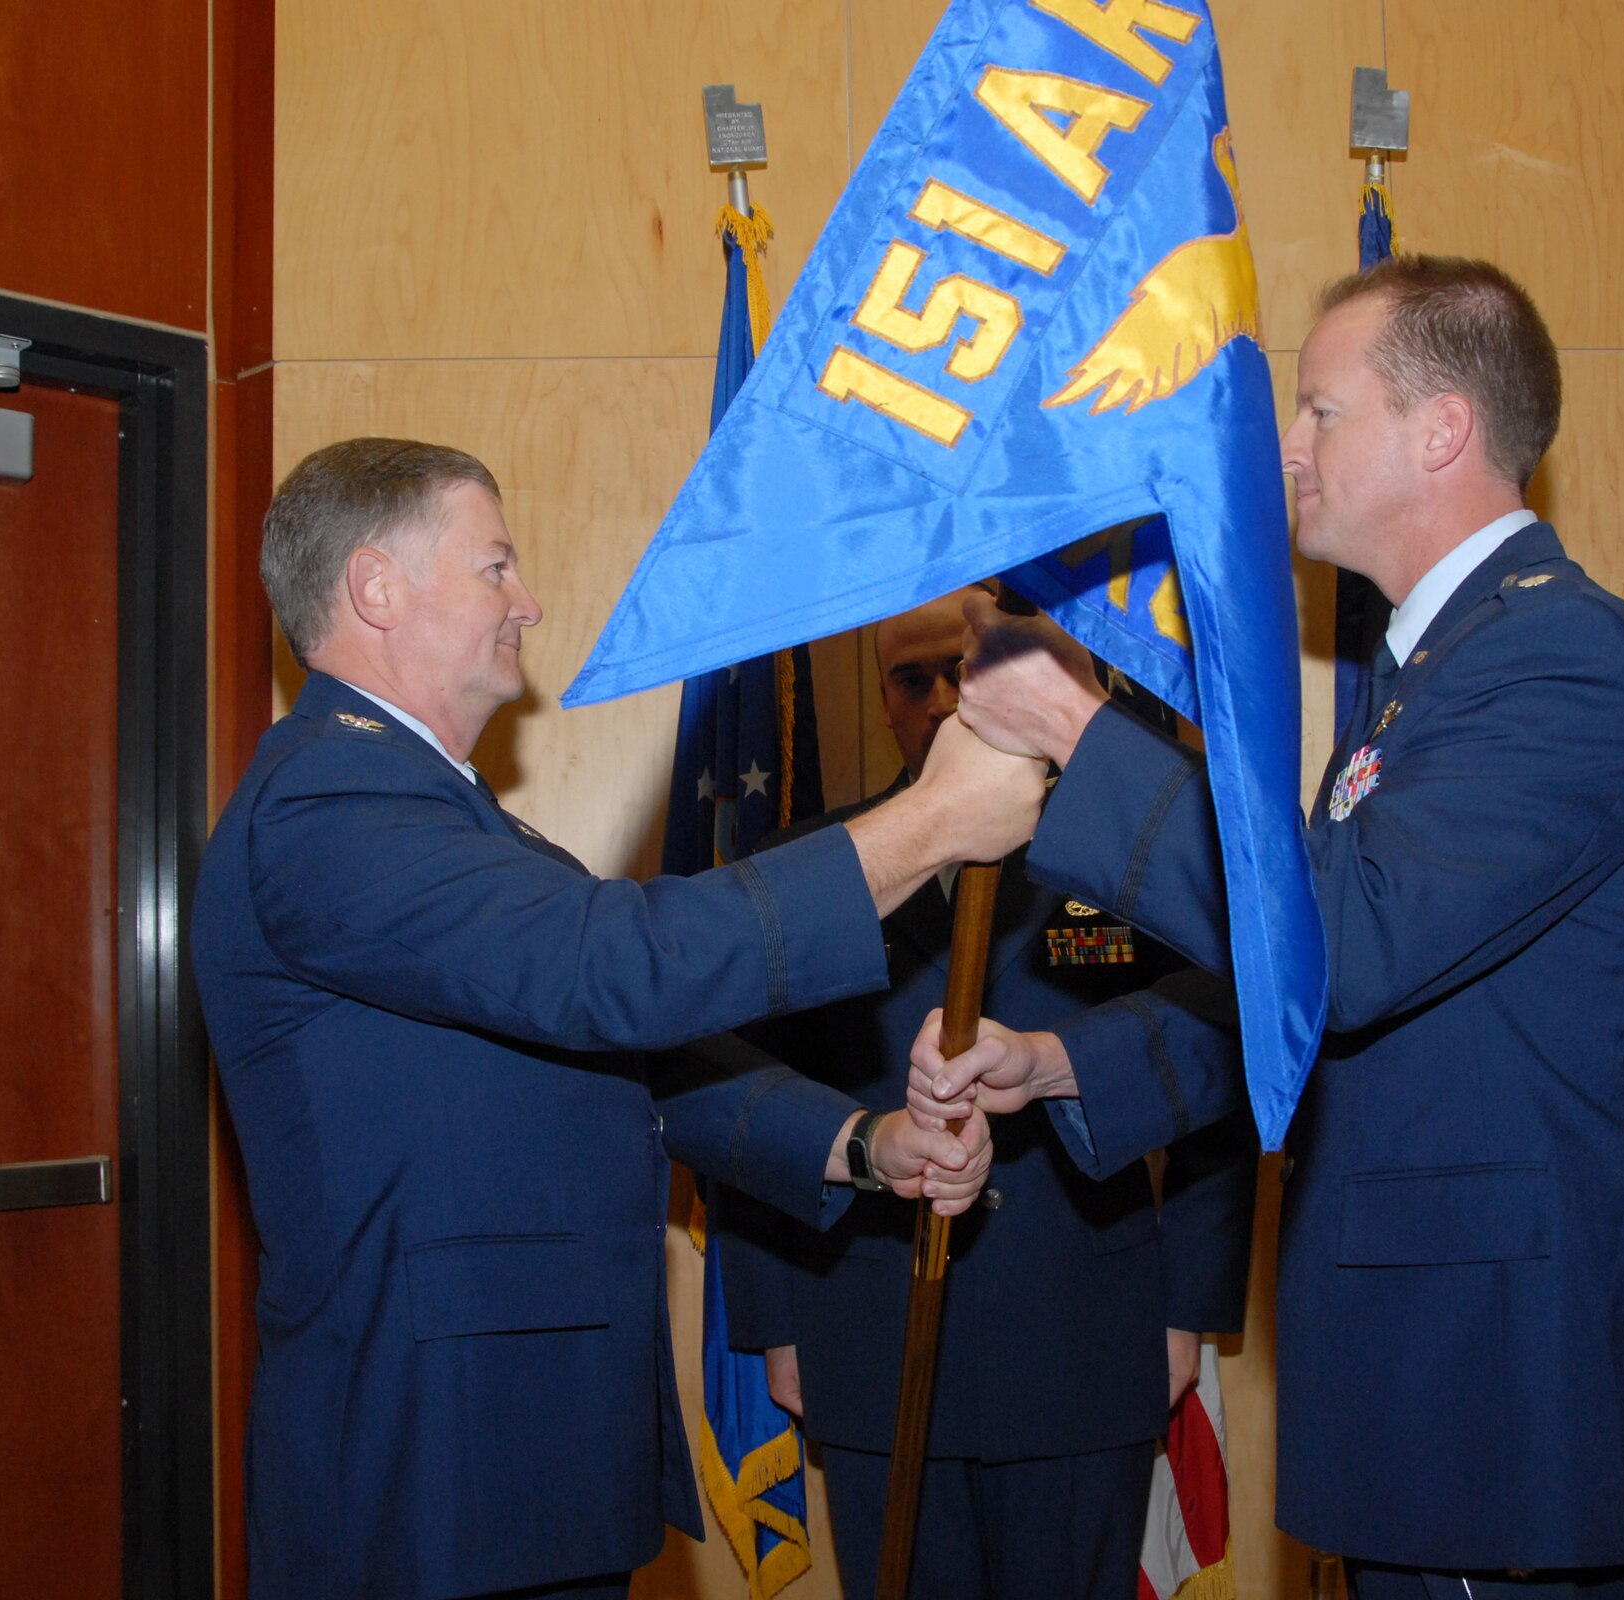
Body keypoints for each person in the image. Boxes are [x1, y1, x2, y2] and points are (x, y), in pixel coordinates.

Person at [916, 258, 1624, 1598]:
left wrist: (1076, 727)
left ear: (1442, 430)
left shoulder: (1561, 662)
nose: (1286, 448)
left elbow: (1347, 950)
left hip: (1513, 1412)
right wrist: (1068, 1067)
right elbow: (1338, 1005)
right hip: (1438, 1394)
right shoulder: (1441, 673)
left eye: (1317, 411)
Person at [194, 438, 1047, 1600]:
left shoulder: (441, 814)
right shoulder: (329, 804)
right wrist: (931, 821)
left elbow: (626, 1055)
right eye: (495, 566)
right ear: (375, 587)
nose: (527, 603)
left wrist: (855, 1143)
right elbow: (618, 968)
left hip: (516, 1456)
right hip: (433, 1469)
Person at [712, 588, 1254, 1600]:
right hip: (867, 1332)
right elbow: (745, 1097)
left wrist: (1188, 1308)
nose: (932, 697)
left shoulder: (1127, 852)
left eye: (953, 670)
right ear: (881, 701)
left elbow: (1216, 1071)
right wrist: (773, 1323)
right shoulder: (809, 867)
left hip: (1083, 1332)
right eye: (905, 677)